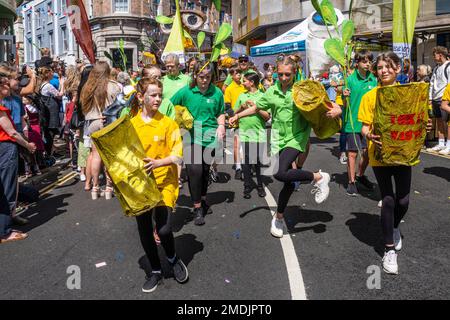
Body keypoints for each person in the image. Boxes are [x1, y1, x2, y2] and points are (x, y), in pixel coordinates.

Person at [358, 52, 430, 275]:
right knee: (388, 198)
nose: (384, 71)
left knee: (404, 200)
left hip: (404, 152)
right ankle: (389, 249)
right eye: (380, 67)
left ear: (398, 69)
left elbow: (419, 118)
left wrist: (424, 127)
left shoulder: (411, 94)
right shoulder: (370, 96)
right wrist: (368, 135)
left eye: (388, 67)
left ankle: (395, 225)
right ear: (375, 71)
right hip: (379, 154)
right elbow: (365, 127)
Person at [254, 56, 337, 238]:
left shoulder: (302, 90)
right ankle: (279, 217)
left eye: (287, 74)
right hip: (278, 138)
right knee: (288, 181)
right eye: (280, 74)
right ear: (276, 72)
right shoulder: (272, 91)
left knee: (278, 173)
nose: (283, 78)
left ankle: (318, 177)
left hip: (297, 138)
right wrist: (236, 116)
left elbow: (326, 103)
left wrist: (338, 108)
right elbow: (256, 107)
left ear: (294, 73)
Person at [129, 77, 188, 292]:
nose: (157, 99)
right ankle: (155, 270)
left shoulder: (168, 123)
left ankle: (172, 259)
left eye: (159, 95)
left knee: (163, 229)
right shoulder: (131, 124)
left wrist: (158, 163)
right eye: (152, 95)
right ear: (140, 97)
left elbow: (178, 156)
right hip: (140, 185)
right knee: (144, 228)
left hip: (165, 182)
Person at [170, 62, 225, 226]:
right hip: (190, 137)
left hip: (210, 137)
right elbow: (169, 105)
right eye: (201, 77)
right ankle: (197, 208)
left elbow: (220, 112)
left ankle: (202, 200)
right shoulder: (186, 92)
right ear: (195, 75)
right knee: (195, 171)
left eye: (208, 77)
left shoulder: (216, 93)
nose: (205, 80)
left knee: (205, 172)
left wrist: (221, 125)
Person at [0, 71, 36, 244]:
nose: (8, 86)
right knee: (7, 188)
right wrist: (28, 145)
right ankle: (5, 231)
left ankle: (7, 222)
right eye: (5, 84)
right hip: (6, 148)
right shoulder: (0, 109)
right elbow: (12, 133)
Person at [80, 61, 121, 200]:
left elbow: (83, 108)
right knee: (109, 156)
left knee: (96, 155)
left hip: (92, 123)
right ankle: (109, 187)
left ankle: (95, 187)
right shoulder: (113, 86)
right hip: (107, 122)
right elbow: (119, 107)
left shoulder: (87, 87)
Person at [229, 72, 270, 199]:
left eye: (245, 81)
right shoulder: (242, 96)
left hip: (259, 134)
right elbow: (234, 113)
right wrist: (241, 107)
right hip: (245, 133)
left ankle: (259, 185)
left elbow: (267, 116)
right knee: (246, 162)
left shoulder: (263, 96)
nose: (242, 83)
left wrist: (255, 107)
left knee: (257, 162)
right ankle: (247, 186)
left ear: (252, 82)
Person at [342, 51, 377, 196]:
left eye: (369, 61)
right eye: (364, 61)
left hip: (368, 123)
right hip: (352, 122)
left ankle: (360, 176)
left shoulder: (373, 80)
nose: (367, 63)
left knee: (367, 153)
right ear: (357, 63)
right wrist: (344, 96)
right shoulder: (349, 79)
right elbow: (344, 103)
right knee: (352, 154)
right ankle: (351, 181)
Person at [224, 66, 246, 180]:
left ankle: (247, 166)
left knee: (247, 145)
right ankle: (238, 168)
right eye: (237, 73)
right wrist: (234, 117)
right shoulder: (229, 89)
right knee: (237, 145)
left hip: (247, 119)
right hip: (236, 121)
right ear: (231, 76)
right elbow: (227, 107)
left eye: (240, 73)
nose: (239, 75)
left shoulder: (245, 85)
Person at [37, 66, 65, 157]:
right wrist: (62, 84)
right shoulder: (48, 86)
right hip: (50, 113)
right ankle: (49, 154)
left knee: (48, 134)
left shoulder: (42, 85)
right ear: (47, 74)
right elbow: (59, 95)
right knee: (50, 134)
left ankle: (50, 152)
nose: (53, 74)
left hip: (47, 113)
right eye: (51, 72)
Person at [427, 46, 450, 155]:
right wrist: (430, 98)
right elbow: (432, 84)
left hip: (444, 99)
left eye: (434, 55)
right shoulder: (436, 68)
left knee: (448, 123)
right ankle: (441, 143)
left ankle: (448, 145)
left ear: (440, 55)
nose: (433, 57)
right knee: (440, 122)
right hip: (436, 99)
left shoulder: (448, 67)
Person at [23, 95, 44, 177]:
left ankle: (28, 170)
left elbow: (25, 117)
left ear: (29, 100)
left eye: (24, 98)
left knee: (29, 149)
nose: (23, 99)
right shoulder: (34, 107)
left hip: (29, 129)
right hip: (36, 127)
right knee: (36, 149)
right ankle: (37, 167)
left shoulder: (26, 107)